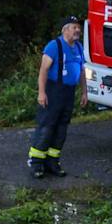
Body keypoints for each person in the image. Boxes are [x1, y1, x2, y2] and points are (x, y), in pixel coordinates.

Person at [27, 16, 86, 178]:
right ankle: (36, 163)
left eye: (78, 28)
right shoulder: (54, 46)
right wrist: (41, 92)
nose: (78, 30)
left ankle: (52, 162)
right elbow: (43, 70)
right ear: (65, 29)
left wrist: (84, 92)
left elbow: (81, 72)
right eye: (74, 27)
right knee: (47, 127)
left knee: (62, 129)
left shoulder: (79, 48)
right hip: (53, 92)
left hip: (69, 93)